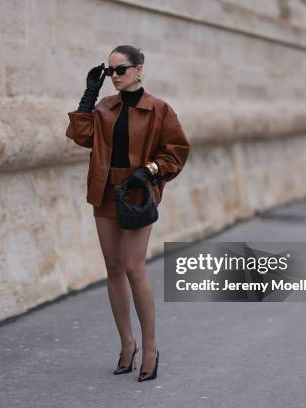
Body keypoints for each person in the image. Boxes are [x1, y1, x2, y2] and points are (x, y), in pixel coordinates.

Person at [65, 45, 190, 382]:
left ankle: (150, 347)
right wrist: (89, 95)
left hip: (137, 191)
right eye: (110, 72)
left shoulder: (159, 109)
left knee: (135, 268)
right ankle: (126, 344)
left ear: (139, 70)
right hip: (105, 190)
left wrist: (149, 170)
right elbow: (81, 136)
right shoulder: (105, 107)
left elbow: (177, 152)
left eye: (120, 70)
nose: (115, 77)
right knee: (114, 268)